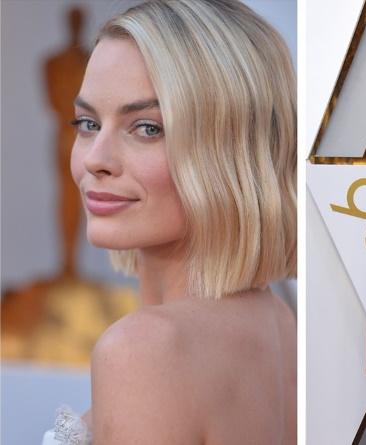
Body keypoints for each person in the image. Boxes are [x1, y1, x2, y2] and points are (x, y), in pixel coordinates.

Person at [42, 0, 297, 443]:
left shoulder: (144, 348)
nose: (94, 159)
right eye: (87, 123)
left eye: (146, 128)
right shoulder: (278, 320)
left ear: (230, 149)